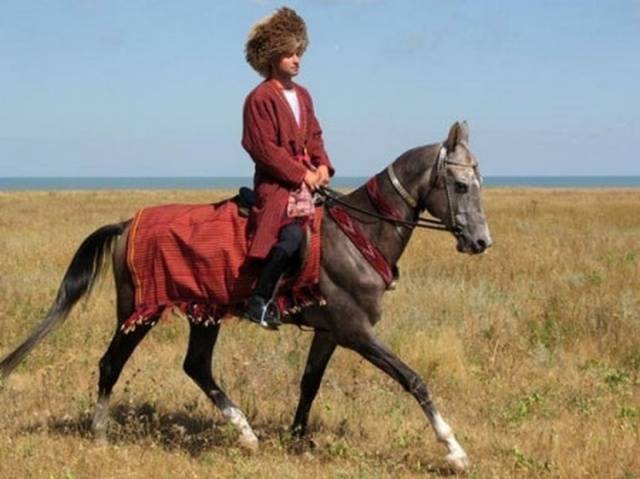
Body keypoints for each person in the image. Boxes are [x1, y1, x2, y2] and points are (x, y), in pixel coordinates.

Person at [241, 7, 334, 329]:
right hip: (276, 187)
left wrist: (322, 166)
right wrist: (300, 174)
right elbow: (262, 148)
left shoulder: (304, 95)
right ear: (271, 56)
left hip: (309, 183)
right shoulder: (259, 98)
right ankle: (259, 300)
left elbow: (315, 134)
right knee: (292, 237)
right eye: (289, 54)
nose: (297, 60)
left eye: (299, 53)